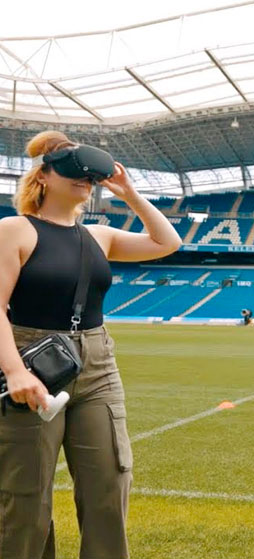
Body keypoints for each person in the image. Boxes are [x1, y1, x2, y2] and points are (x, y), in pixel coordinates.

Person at [0, 130, 181, 558]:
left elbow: (167, 242)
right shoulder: (15, 230)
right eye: (73, 172)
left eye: (90, 177)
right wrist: (14, 371)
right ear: (43, 176)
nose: (84, 181)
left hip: (97, 367)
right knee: (26, 496)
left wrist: (129, 192)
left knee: (109, 484)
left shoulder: (99, 235)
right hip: (32, 363)